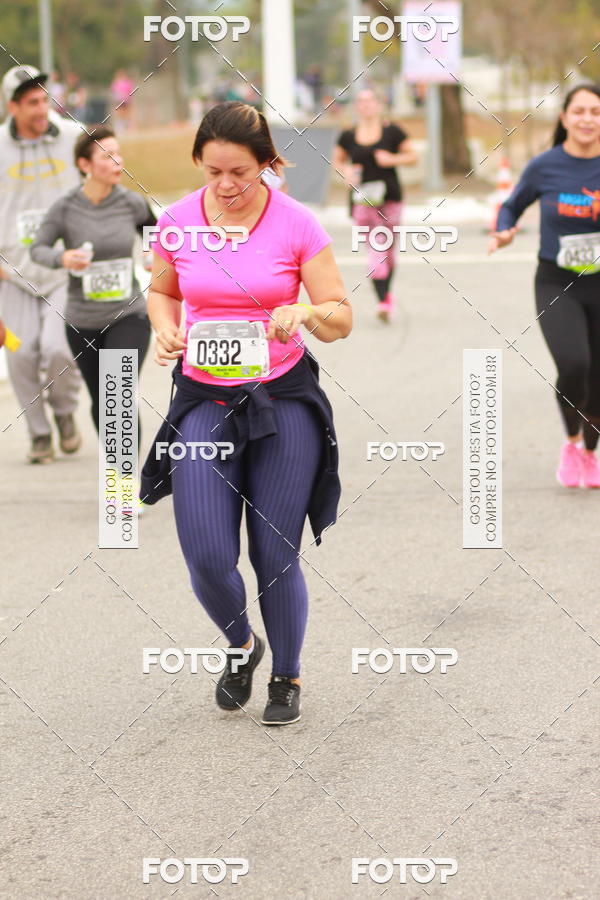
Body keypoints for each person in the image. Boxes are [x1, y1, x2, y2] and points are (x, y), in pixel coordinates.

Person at [141, 101, 352, 725]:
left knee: (273, 550)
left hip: (281, 400)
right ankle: (242, 645)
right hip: (204, 398)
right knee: (205, 551)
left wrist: (306, 313)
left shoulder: (296, 224)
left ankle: (286, 674)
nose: (227, 186)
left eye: (241, 172)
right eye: (214, 173)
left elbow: (341, 317)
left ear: (267, 163)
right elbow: (162, 290)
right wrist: (163, 330)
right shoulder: (177, 221)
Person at [490, 83, 600, 489]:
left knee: (599, 378)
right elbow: (511, 206)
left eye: (596, 111)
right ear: (565, 117)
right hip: (558, 282)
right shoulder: (546, 166)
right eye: (580, 111)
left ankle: (590, 454)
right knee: (575, 365)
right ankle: (572, 444)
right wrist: (503, 231)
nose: (588, 119)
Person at [30, 126, 155, 440]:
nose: (118, 162)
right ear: (85, 165)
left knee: (119, 394)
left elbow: (156, 234)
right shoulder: (65, 207)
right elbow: (38, 249)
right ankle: (115, 474)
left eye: (119, 154)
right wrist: (64, 258)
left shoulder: (132, 203)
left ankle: (123, 486)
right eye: (108, 155)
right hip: (81, 321)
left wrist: (149, 253)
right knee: (104, 401)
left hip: (129, 314)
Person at [0, 65, 82, 464]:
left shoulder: (72, 138)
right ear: (11, 106)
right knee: (19, 355)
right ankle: (39, 433)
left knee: (57, 349)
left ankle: (65, 414)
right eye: (31, 102)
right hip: (11, 273)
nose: (41, 108)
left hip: (63, 270)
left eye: (43, 99)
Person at [334, 88, 417, 322]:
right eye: (361, 101)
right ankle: (382, 301)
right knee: (376, 249)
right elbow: (337, 160)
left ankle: (386, 296)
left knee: (388, 252)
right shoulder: (349, 136)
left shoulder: (392, 132)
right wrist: (346, 171)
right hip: (362, 202)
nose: (366, 105)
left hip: (390, 199)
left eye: (370, 101)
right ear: (356, 107)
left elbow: (413, 156)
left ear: (379, 105)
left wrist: (392, 159)